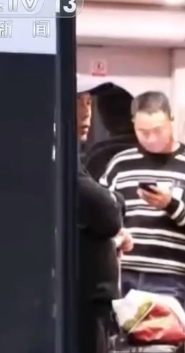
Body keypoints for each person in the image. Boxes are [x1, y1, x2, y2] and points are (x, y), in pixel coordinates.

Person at [99, 91, 185, 307]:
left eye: (158, 130)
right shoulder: (120, 163)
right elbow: (100, 213)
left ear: (172, 121)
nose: (151, 138)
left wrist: (171, 205)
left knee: (163, 330)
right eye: (143, 132)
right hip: (121, 271)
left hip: (168, 276)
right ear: (133, 124)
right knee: (115, 330)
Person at [76, 81, 126, 353]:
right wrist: (114, 200)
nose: (86, 113)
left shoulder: (75, 157)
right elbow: (107, 213)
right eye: (78, 102)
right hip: (80, 299)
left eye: (89, 103)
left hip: (92, 300)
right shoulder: (60, 160)